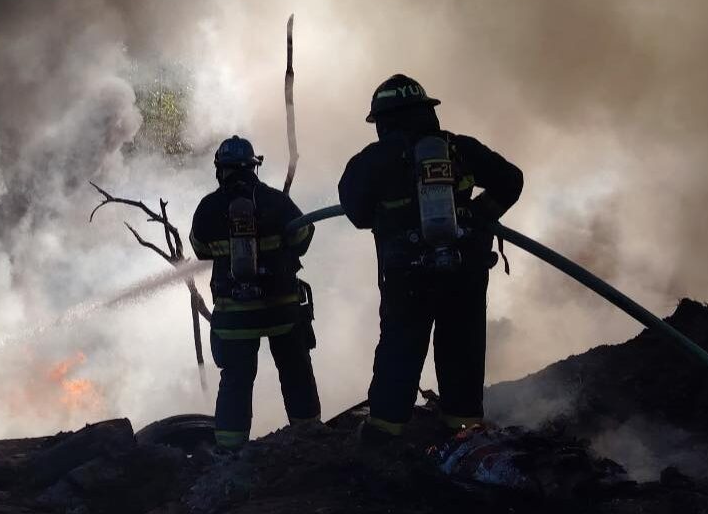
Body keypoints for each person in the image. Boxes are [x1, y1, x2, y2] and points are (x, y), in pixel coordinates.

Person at [338, 74, 523, 440]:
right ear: (426, 111)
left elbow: (356, 213)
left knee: (400, 347)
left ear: (384, 121)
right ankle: (463, 429)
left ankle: (384, 431)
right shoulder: (460, 148)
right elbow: (511, 180)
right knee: (462, 346)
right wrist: (478, 215)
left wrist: (390, 217)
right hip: (464, 270)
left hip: (407, 275)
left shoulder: (372, 160)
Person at [190, 135, 320, 450]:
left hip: (234, 318)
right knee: (296, 371)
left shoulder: (208, 208)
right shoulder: (276, 201)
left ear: (220, 170)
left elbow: (200, 249)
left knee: (235, 381)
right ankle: (311, 440)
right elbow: (303, 237)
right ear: (253, 167)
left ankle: (230, 451)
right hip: (282, 311)